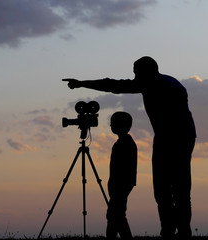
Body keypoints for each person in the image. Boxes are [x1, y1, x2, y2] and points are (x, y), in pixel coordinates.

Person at [63, 56, 196, 238]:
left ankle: (170, 231)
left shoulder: (153, 84)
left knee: (165, 190)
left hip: (171, 139)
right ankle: (179, 231)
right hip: (183, 137)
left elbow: (114, 85)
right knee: (180, 189)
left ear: (147, 72)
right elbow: (117, 84)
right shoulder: (171, 82)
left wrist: (81, 84)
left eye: (136, 74)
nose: (134, 78)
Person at [106, 111, 138, 239]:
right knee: (115, 214)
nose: (111, 126)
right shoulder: (124, 142)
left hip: (121, 184)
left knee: (116, 214)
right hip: (121, 184)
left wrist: (117, 185)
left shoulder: (125, 144)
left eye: (113, 123)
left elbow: (122, 169)